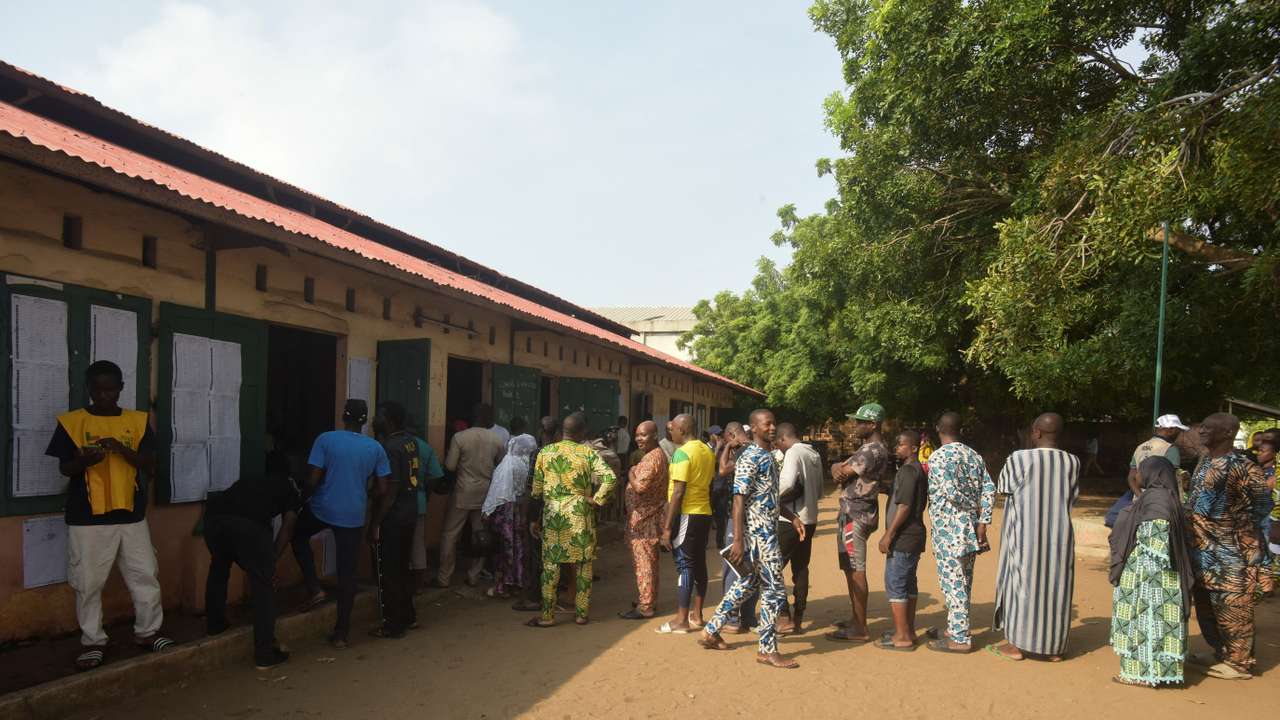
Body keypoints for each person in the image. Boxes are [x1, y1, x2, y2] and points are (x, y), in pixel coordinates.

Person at [46, 360, 172, 671]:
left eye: (111, 389)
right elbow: (64, 468)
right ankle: (93, 641)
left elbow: (149, 464)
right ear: (89, 389)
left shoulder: (138, 421)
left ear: (120, 388)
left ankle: (148, 632)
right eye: (98, 390)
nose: (105, 395)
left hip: (131, 515)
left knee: (145, 574)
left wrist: (121, 449)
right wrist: (85, 461)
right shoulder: (71, 422)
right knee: (88, 582)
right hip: (87, 519)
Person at [698, 409, 806, 669]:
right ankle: (767, 649)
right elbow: (738, 499)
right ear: (754, 429)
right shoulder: (750, 458)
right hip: (760, 535)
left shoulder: (768, 456)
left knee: (748, 583)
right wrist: (737, 540)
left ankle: (711, 630)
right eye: (766, 424)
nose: (772, 428)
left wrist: (791, 517)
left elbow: (769, 497)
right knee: (774, 590)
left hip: (768, 529)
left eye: (773, 423)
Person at [293, 399, 391, 649]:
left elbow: (313, 479)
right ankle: (341, 634)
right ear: (365, 420)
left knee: (296, 535)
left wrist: (300, 500)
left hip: (322, 508)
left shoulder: (325, 439)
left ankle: (314, 587)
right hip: (353, 515)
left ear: (343, 416)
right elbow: (382, 489)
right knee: (347, 574)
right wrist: (361, 493)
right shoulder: (376, 448)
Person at [1185, 412, 1270, 679]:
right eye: (1202, 427)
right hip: (1201, 550)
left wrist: (1235, 527)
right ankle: (1220, 650)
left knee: (1233, 606)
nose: (1202, 432)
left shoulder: (1243, 467)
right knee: (1207, 605)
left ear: (1226, 433)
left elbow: (1262, 505)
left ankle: (1239, 663)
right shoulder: (1204, 462)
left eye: (1209, 428)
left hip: (1232, 552)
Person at [990, 412, 1080, 661]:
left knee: (1021, 585)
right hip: (1059, 537)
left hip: (1024, 535)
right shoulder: (1072, 462)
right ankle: (1053, 648)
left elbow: (1005, 489)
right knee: (1056, 586)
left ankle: (1017, 645)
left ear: (1036, 432)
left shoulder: (1019, 459)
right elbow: (1072, 496)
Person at [204, 451, 301, 669]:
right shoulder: (288, 487)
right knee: (263, 587)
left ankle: (215, 624)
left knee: (219, 569)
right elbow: (288, 527)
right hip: (248, 528)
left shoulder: (248, 480)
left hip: (214, 522)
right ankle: (265, 654)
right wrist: (272, 559)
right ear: (288, 470)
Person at [1108, 456, 1195, 687]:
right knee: (1164, 624)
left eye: (1140, 470)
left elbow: (1155, 542)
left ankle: (1143, 674)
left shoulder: (1156, 499)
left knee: (1146, 621)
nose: (1136, 475)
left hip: (1150, 578)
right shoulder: (1167, 496)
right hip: (1163, 576)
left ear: (1151, 473)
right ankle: (1163, 672)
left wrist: (1139, 582)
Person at [526, 412, 617, 627]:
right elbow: (610, 478)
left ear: (563, 431)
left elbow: (536, 491)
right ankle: (581, 614)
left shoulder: (545, 453)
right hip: (580, 515)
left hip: (553, 515)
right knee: (583, 565)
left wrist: (533, 519)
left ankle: (547, 616)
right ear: (582, 431)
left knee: (551, 566)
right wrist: (596, 500)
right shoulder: (587, 453)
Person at [924, 411, 994, 654]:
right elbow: (989, 488)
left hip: (949, 530)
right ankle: (955, 627)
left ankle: (960, 638)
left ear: (938, 428)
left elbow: (950, 492)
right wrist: (982, 519)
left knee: (952, 583)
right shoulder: (974, 456)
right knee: (964, 580)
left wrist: (969, 506)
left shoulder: (937, 457)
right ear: (960, 430)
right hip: (972, 529)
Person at [827, 402, 890, 643]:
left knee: (855, 569)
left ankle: (860, 627)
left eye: (861, 422)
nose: (856, 426)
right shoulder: (873, 449)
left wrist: (836, 466)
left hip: (855, 514)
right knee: (850, 567)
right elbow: (840, 470)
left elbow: (841, 472)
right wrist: (837, 466)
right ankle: (857, 619)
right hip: (858, 512)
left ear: (873, 424)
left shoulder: (870, 451)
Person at [656, 414, 716, 634]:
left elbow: (678, 491)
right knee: (699, 563)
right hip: (704, 513)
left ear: (682, 430)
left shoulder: (682, 454)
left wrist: (667, 528)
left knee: (684, 566)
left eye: (672, 429)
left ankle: (681, 620)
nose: (670, 432)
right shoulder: (706, 450)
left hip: (688, 515)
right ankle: (697, 616)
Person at [367, 401, 422, 639]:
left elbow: (390, 489)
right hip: (410, 511)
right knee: (402, 567)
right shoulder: (411, 442)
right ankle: (408, 616)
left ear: (389, 419)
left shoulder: (389, 447)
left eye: (379, 415)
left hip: (394, 514)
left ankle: (393, 624)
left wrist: (376, 522)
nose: (375, 419)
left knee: (389, 570)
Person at [437, 403, 505, 588]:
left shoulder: (460, 437)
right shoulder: (496, 439)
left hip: (462, 491)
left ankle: (444, 577)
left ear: (474, 416)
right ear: (489, 418)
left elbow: (450, 466)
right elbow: (500, 467)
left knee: (450, 535)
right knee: (481, 534)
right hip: (486, 493)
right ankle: (474, 575)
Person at [877, 430, 928, 651]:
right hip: (914, 536)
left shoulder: (908, 470)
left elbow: (905, 506)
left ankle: (902, 637)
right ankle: (908, 629)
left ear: (914, 448)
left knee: (896, 583)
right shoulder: (914, 470)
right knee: (908, 583)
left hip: (904, 537)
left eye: (901, 445)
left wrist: (888, 534)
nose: (897, 448)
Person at [775, 423, 822, 633]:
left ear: (783, 438)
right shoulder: (813, 453)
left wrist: (767, 497)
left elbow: (785, 483)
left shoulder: (793, 453)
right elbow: (820, 490)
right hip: (810, 518)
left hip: (790, 521)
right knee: (801, 568)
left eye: (779, 443)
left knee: (771, 567)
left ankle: (784, 615)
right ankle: (799, 615)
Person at [483, 417, 536, 599]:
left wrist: (487, 510)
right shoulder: (527, 463)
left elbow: (499, 490)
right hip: (520, 511)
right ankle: (517, 582)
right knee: (519, 548)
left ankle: (501, 586)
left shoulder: (508, 464)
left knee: (503, 550)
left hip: (505, 511)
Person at [619, 420, 668, 619]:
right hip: (644, 518)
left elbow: (640, 487)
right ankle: (648, 598)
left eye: (644, 435)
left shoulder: (652, 458)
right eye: (637, 435)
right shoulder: (652, 456)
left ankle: (646, 606)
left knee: (644, 563)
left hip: (645, 520)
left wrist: (630, 472)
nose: (639, 438)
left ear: (655, 435)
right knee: (649, 562)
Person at [1106, 415, 1188, 526]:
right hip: (1159, 503)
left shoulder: (1140, 447)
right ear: (1171, 430)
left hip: (1138, 498)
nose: (1179, 434)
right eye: (1178, 430)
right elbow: (1171, 480)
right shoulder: (1170, 449)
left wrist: (1140, 496)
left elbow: (1131, 477)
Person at [407, 422, 445, 590]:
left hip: (396, 502)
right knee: (417, 543)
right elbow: (436, 476)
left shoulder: (394, 444)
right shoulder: (425, 448)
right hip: (419, 500)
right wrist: (426, 493)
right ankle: (418, 585)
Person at [711, 421, 744, 551]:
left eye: (721, 434)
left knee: (721, 517)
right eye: (717, 435)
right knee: (709, 517)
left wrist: (727, 448)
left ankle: (720, 541)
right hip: (713, 487)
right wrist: (719, 448)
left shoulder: (728, 448)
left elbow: (729, 465)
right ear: (711, 436)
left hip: (724, 487)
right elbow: (712, 465)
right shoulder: (708, 449)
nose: (720, 437)